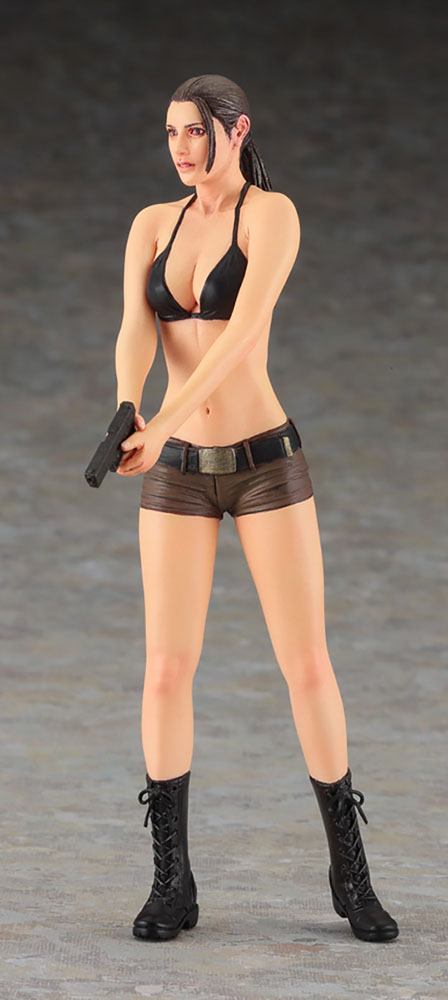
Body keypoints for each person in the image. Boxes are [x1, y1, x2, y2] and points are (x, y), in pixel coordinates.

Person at [113, 74, 399, 944]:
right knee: (166, 669)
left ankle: (350, 874)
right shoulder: (152, 224)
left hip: (264, 464)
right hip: (177, 473)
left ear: (236, 132)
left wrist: (162, 420)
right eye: (171, 132)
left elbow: (240, 337)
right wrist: (128, 408)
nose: (181, 147)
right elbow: (135, 327)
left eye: (196, 132)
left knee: (306, 664)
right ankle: (172, 882)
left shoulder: (271, 216)